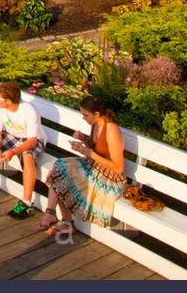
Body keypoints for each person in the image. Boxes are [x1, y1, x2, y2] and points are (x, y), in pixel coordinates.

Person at [37, 96, 125, 236]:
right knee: (58, 166)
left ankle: (62, 219)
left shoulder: (111, 130)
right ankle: (54, 214)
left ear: (97, 114)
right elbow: (97, 149)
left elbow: (118, 167)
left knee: (61, 173)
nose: (83, 118)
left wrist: (89, 153)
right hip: (93, 165)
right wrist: (84, 140)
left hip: (108, 175)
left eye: (86, 114)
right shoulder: (96, 124)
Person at [0, 81, 45, 220]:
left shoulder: (29, 111)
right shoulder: (0, 108)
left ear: (9, 101)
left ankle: (27, 203)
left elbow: (32, 141)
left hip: (31, 139)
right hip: (11, 136)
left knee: (27, 156)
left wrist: (13, 152)